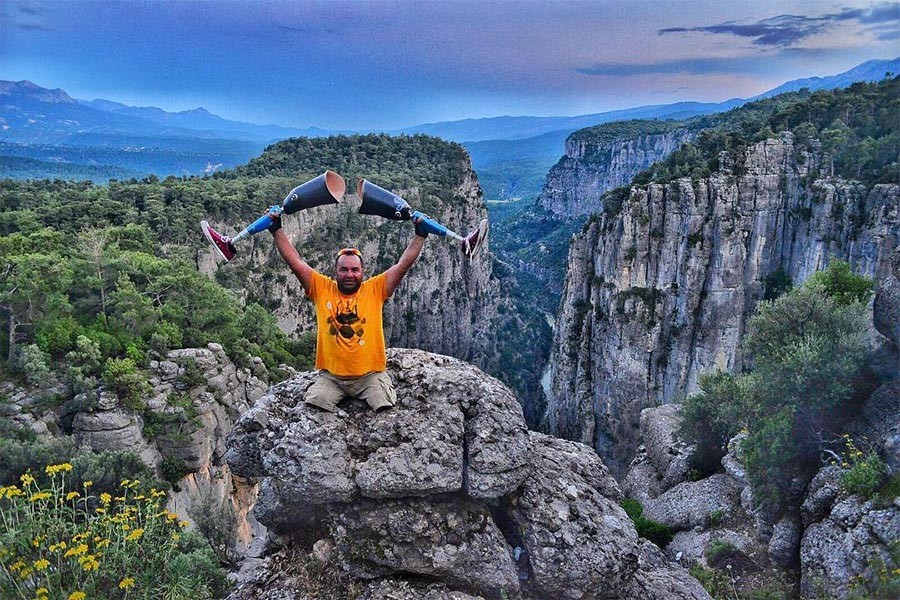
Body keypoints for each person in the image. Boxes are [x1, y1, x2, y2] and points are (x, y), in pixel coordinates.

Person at [267, 209, 428, 413]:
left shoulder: (375, 289)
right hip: (332, 378)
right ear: (336, 271)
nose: (349, 274)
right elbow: (295, 262)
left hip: (370, 376)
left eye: (355, 270)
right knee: (314, 405)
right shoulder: (322, 288)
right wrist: (276, 229)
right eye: (344, 270)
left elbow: (403, 264)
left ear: (362, 271)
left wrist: (420, 236)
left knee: (384, 407)